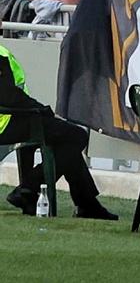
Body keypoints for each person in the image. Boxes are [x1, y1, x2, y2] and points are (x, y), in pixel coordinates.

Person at [0, 37, 117, 218]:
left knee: (66, 141)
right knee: (77, 135)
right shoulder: (0, 54)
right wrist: (39, 109)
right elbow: (7, 96)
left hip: (12, 119)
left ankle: (86, 204)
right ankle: (29, 187)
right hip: (7, 123)